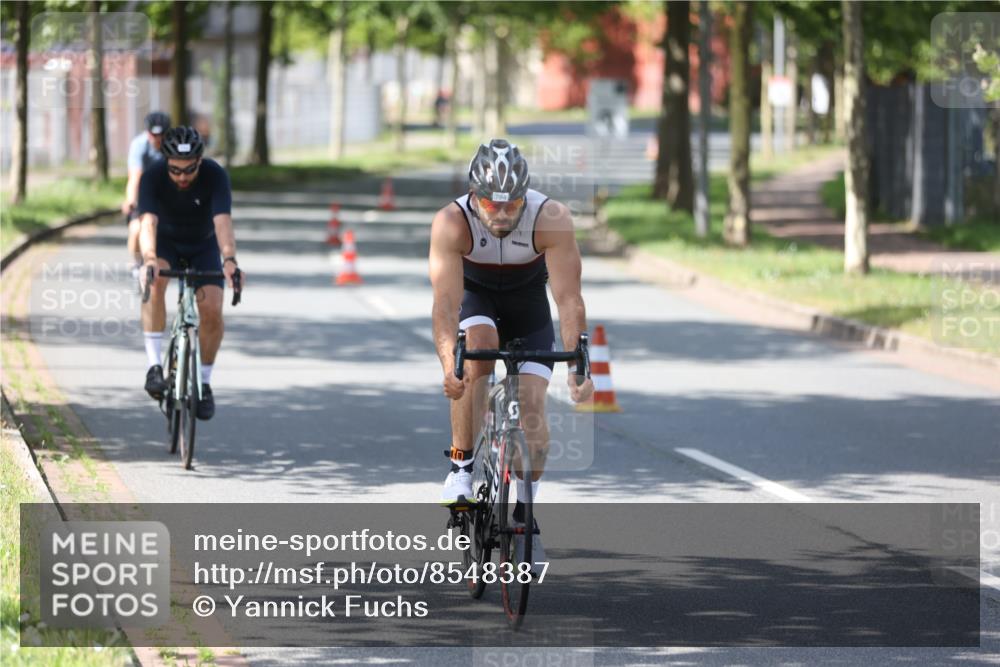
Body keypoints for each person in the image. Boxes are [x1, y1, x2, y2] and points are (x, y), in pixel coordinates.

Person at [429, 139, 594, 573]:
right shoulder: (451, 221)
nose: (501, 214)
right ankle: (462, 468)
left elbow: (569, 300)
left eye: (512, 204)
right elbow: (445, 305)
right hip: (476, 299)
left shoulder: (551, 218)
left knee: (533, 406)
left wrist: (578, 368)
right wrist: (449, 364)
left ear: (525, 196)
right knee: (478, 351)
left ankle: (525, 514)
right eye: (491, 204)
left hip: (528, 308)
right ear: (473, 195)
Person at [137, 127, 242, 421]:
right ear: (166, 162)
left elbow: (222, 222)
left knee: (212, 310)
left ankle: (204, 383)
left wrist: (229, 259)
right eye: (175, 170)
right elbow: (148, 223)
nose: (182, 177)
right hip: (166, 244)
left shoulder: (215, 175)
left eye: (189, 170)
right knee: (154, 282)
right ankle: (154, 367)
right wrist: (148, 259)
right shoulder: (152, 176)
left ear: (199, 161)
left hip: (202, 245)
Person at [122, 112, 171, 279]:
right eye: (153, 135)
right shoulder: (139, 145)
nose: (157, 139)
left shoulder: (172, 145)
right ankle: (137, 262)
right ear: (147, 132)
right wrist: (130, 200)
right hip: (144, 193)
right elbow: (135, 177)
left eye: (161, 135)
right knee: (136, 229)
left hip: (166, 196)